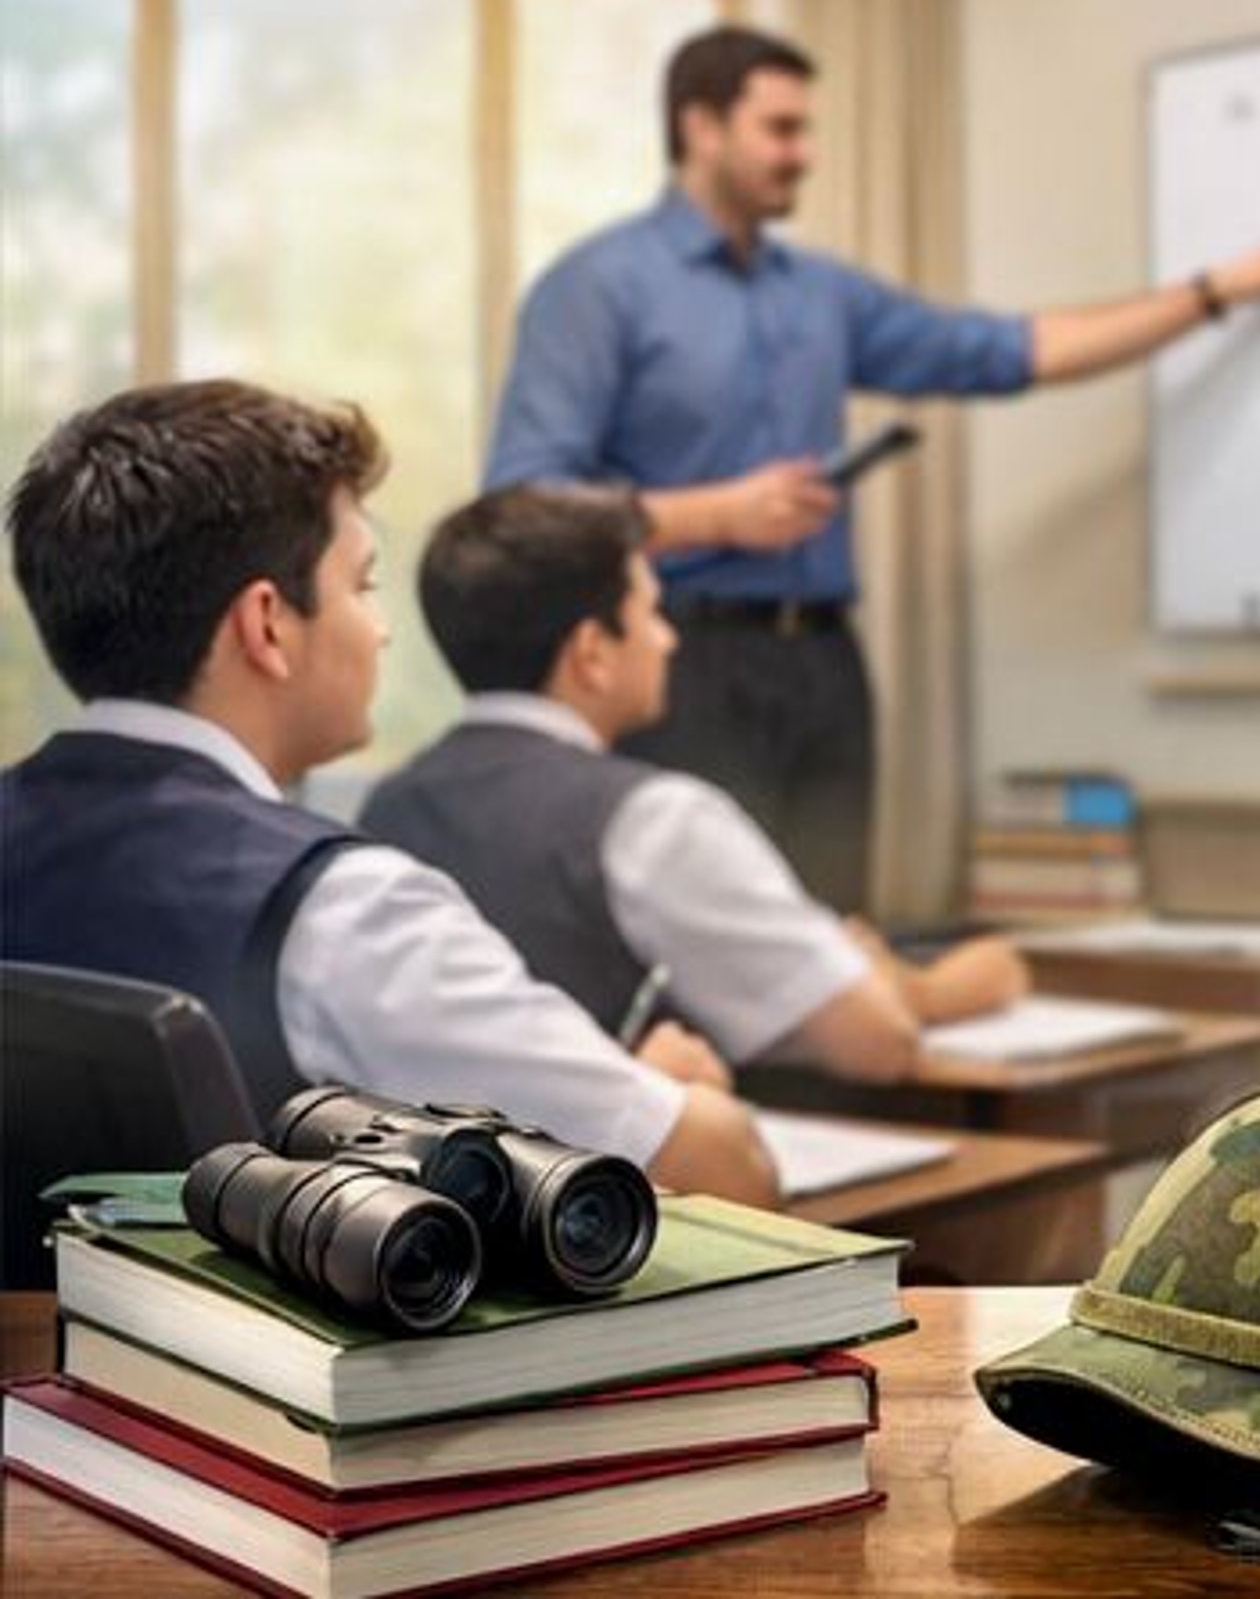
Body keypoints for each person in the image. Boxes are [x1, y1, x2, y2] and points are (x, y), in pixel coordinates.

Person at [485, 22, 1260, 911]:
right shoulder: (595, 287)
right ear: (700, 128)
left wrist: (1212, 294)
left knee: (836, 934)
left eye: (807, 130)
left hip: (824, 664)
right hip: (678, 662)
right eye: (781, 130)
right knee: (704, 937)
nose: (806, 154)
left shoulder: (820, 293)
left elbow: (1013, 350)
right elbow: (524, 501)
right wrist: (720, 516)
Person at [1, 381, 777, 1207]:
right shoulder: (343, 911)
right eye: (363, 585)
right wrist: (648, 1091)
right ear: (267, 625)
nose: (380, 629)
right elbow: (726, 1171)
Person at [359, 483, 1032, 1084]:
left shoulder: (386, 808)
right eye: (652, 613)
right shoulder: (654, 821)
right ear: (592, 653)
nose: (668, 640)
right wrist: (901, 986)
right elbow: (875, 1043)